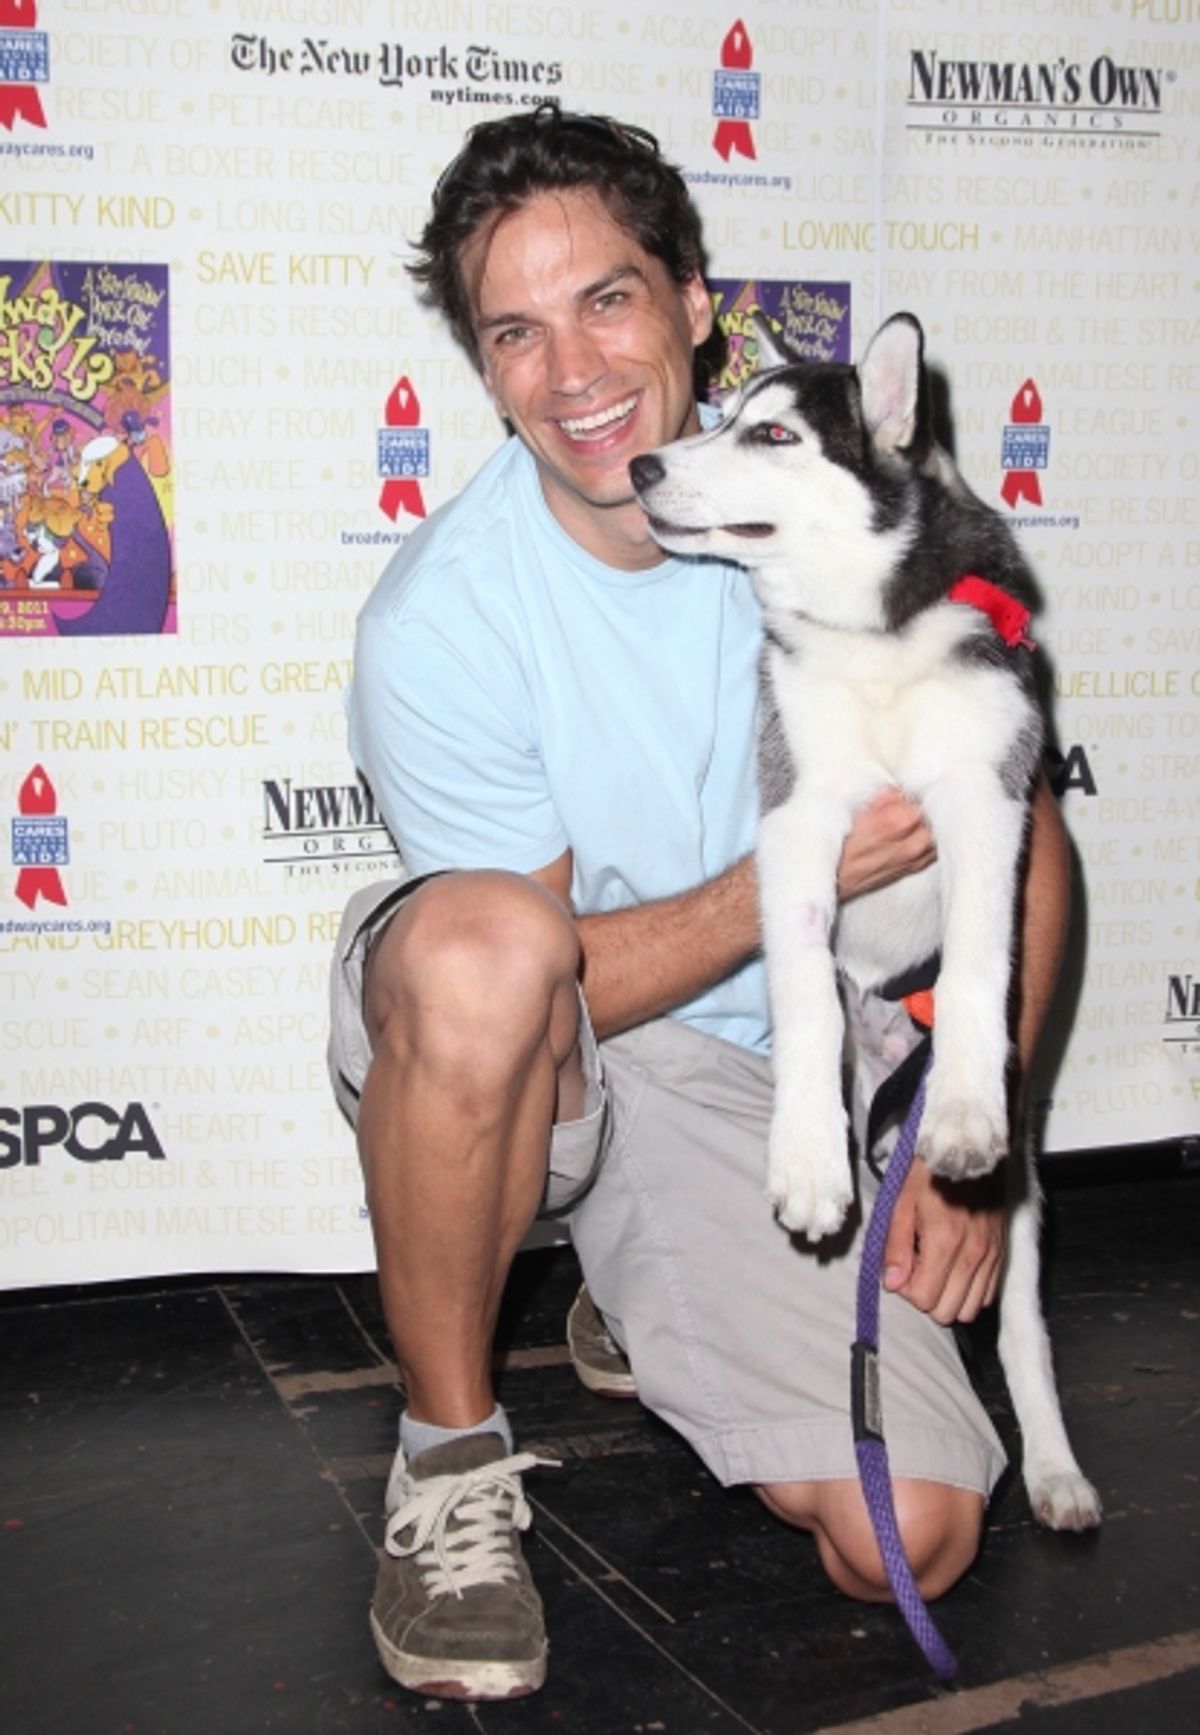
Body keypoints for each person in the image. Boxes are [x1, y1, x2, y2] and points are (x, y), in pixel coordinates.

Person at [328, 104, 1070, 1702]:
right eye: (513, 332)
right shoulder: (443, 621)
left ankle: (642, 1293)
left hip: (786, 1064)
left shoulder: (840, 516)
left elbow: (1028, 841)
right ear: (483, 367)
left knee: (915, 1539)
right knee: (482, 955)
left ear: (694, 303)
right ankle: (446, 1464)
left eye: (606, 301)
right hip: (577, 1043)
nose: (573, 371)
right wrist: (773, 885)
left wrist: (968, 1124)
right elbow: (548, 980)